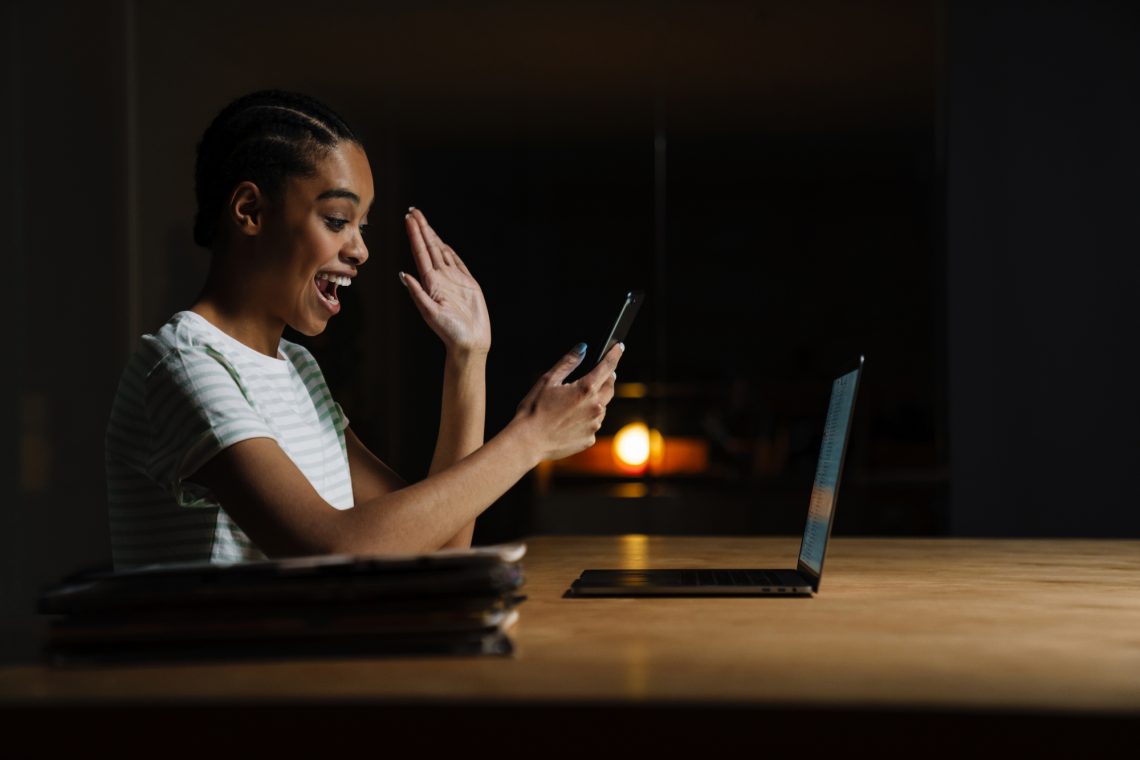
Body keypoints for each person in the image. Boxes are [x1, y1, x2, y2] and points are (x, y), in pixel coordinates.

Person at [105, 90, 622, 568]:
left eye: (362, 226)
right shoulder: (184, 363)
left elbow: (438, 546)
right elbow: (329, 549)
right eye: (336, 220)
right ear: (250, 211)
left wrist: (467, 357)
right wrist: (527, 440)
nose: (360, 250)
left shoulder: (298, 370)